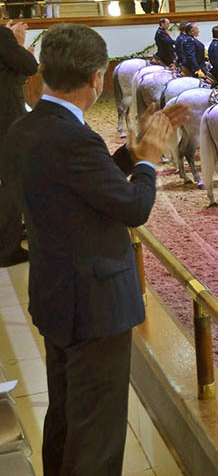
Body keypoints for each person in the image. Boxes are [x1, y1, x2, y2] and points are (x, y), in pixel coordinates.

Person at [6, 24, 188, 476]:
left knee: (66, 418)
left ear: (44, 71)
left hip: (57, 293)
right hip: (94, 304)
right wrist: (149, 157)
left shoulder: (25, 126)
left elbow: (85, 185)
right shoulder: (73, 138)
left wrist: (128, 151)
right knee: (98, 434)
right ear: (97, 79)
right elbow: (132, 207)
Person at [0, 20, 38, 265]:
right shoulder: (3, 36)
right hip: (5, 120)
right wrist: (17, 44)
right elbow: (29, 66)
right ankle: (7, 247)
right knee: (11, 182)